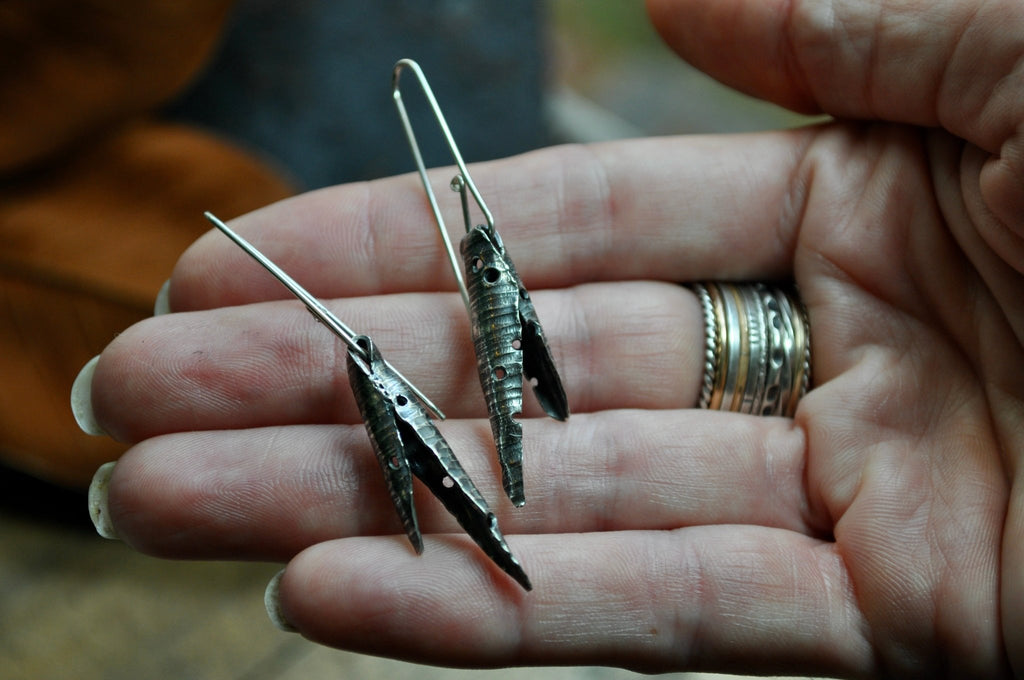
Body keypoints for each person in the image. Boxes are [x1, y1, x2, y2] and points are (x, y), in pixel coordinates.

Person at [71, 0, 1024, 677]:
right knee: (478, 462)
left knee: (505, 435)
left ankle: (506, 490)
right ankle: (500, 496)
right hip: (396, 373)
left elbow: (527, 364)